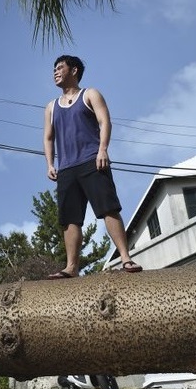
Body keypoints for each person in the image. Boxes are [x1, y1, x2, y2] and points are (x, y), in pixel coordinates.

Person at [43, 55, 142, 279]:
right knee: (69, 219)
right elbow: (48, 137)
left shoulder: (90, 94)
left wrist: (103, 149)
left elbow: (104, 121)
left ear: (74, 70)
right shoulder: (51, 107)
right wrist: (50, 163)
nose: (55, 72)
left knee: (108, 208)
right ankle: (71, 267)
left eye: (60, 68)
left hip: (93, 161)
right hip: (66, 168)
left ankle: (126, 258)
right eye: (54, 69)